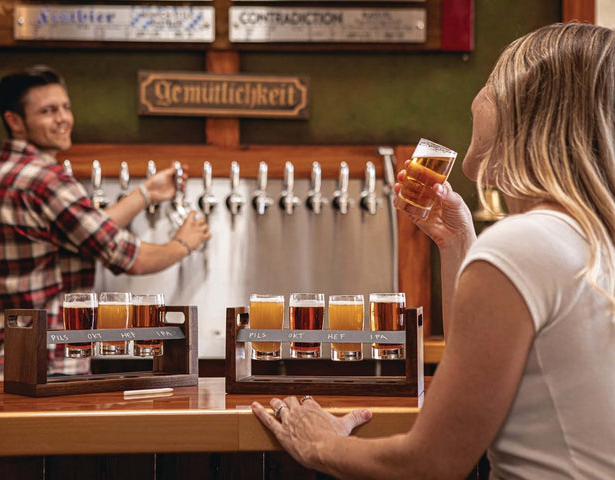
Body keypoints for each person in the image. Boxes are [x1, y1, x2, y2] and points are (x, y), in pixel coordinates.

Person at [252, 23, 615, 479]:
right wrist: (461, 242)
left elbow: (431, 463)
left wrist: (319, 444)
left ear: (527, 107)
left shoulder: (526, 242)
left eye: (491, 82)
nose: (477, 97)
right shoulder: (588, 238)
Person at [0, 65, 210, 380]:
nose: (63, 118)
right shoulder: (46, 180)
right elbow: (130, 258)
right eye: (48, 111)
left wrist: (146, 193)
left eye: (66, 107)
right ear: (15, 121)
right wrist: (185, 242)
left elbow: (82, 229)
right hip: (48, 363)